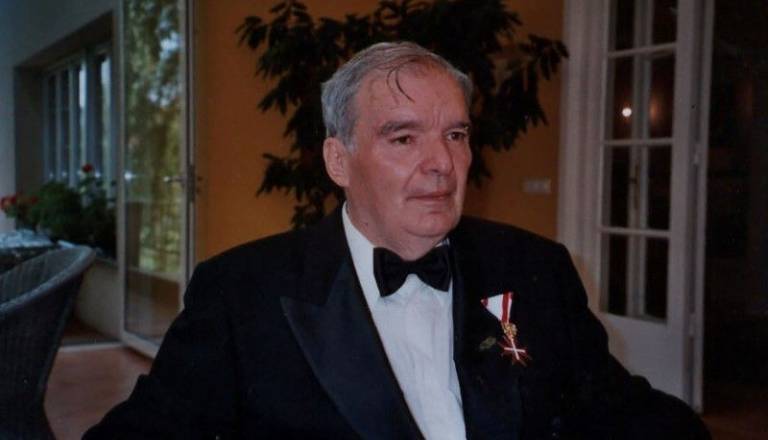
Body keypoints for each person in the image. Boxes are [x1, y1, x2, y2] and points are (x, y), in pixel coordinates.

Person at [85, 42, 709, 439]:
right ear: (338, 160)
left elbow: (619, 413)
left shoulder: (532, 267)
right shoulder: (241, 296)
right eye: (404, 138)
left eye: (456, 135)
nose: (442, 164)